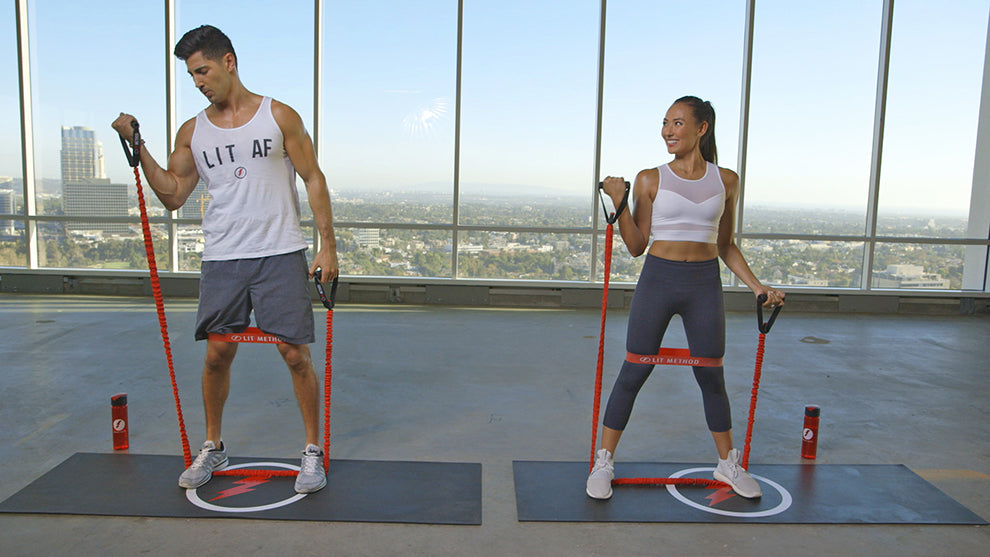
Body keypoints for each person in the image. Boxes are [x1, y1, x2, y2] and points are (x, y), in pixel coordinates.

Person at [112, 25, 339, 494]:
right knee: (217, 354)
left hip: (279, 251)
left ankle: (311, 452)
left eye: (203, 71)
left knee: (293, 353)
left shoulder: (279, 116)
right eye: (192, 75)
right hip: (223, 257)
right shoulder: (192, 131)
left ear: (228, 62)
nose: (198, 82)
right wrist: (140, 148)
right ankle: (213, 446)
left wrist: (328, 245)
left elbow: (313, 178)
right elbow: (173, 193)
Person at [587, 96, 785, 500]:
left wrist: (757, 286)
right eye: (665, 123)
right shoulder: (650, 178)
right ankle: (603, 460)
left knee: (711, 375)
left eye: (678, 123)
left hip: (703, 284)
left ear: (701, 128)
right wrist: (619, 201)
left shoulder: (725, 180)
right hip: (658, 280)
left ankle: (727, 464)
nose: (668, 131)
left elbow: (726, 245)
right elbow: (636, 245)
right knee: (634, 371)